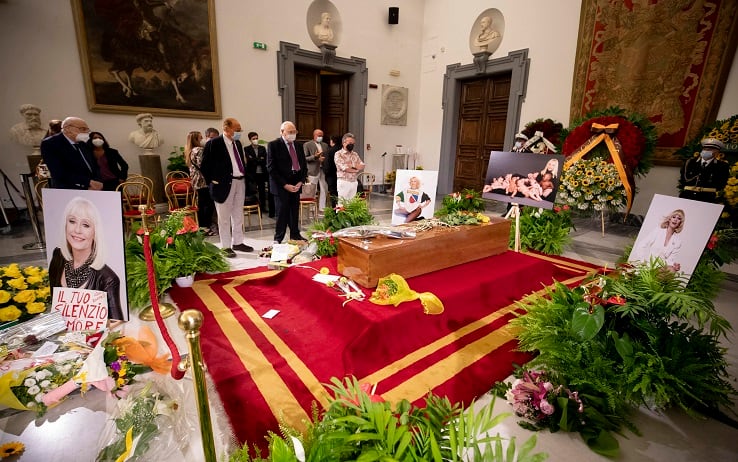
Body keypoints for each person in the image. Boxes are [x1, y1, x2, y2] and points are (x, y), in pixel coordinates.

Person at [48, 196, 123, 320]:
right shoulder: (58, 257)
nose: (77, 230)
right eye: (72, 221)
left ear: (95, 232)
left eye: (86, 225)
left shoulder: (108, 278)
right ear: (65, 225)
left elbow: (117, 322)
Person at [200, 118, 254, 258]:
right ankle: (225, 246)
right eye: (237, 129)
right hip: (222, 184)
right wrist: (212, 181)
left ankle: (238, 242)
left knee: (238, 215)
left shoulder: (237, 143)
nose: (239, 132)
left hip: (239, 181)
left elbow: (239, 162)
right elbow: (205, 166)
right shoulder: (214, 143)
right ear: (227, 128)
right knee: (223, 217)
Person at [267, 121, 308, 243]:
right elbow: (271, 168)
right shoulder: (273, 145)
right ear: (282, 132)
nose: (292, 134)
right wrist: (285, 185)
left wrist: (301, 181)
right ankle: (278, 237)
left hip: (296, 183)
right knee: (282, 212)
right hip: (281, 185)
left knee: (294, 211)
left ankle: (295, 234)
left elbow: (303, 165)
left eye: (294, 132)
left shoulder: (299, 145)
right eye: (290, 132)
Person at [41, 117, 103, 190]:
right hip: (69, 190)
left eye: (87, 129)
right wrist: (87, 182)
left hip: (93, 188)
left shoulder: (83, 143)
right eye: (83, 129)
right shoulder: (51, 143)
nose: (87, 132)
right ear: (67, 129)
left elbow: (94, 165)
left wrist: (97, 181)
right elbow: (58, 172)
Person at [679, 137, 730, 203]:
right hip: (687, 196)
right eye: (705, 148)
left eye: (710, 149)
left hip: (708, 198)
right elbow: (683, 179)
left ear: (717, 152)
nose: (706, 151)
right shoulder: (690, 162)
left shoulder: (722, 166)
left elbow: (721, 184)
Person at [185, 131, 216, 235]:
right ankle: (205, 227)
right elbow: (203, 165)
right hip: (202, 180)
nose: (202, 140)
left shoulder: (190, 150)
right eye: (200, 138)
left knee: (202, 203)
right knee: (208, 204)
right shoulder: (198, 150)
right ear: (196, 139)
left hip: (196, 180)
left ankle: (202, 227)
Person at [244, 131, 272, 217]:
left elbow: (264, 159)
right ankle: (253, 208)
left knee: (262, 191)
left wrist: (255, 159)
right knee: (252, 191)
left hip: (262, 173)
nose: (255, 140)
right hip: (252, 174)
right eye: (253, 139)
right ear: (250, 140)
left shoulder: (262, 148)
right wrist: (258, 159)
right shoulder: (246, 149)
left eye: (256, 138)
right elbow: (249, 160)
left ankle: (262, 207)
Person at [304, 129, 330, 213]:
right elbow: (305, 158)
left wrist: (324, 160)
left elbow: (327, 156)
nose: (320, 137)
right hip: (313, 170)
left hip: (323, 169)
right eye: (319, 135)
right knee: (312, 190)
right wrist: (315, 157)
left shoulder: (325, 145)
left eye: (321, 135)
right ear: (314, 135)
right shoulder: (307, 144)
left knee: (324, 188)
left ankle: (322, 207)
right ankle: (312, 208)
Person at [334, 132, 365, 201]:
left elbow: (362, 165)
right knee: (343, 204)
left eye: (353, 143)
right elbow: (345, 168)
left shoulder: (355, 154)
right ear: (344, 143)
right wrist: (356, 168)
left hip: (354, 182)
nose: (352, 145)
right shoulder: (338, 154)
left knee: (352, 204)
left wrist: (352, 165)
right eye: (350, 143)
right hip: (344, 182)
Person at [322, 135, 341, 208]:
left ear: (332, 141)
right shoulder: (343, 150)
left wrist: (326, 173)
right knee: (341, 195)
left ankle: (335, 211)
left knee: (334, 195)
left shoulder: (329, 151)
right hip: (341, 176)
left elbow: (327, 165)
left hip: (331, 176)